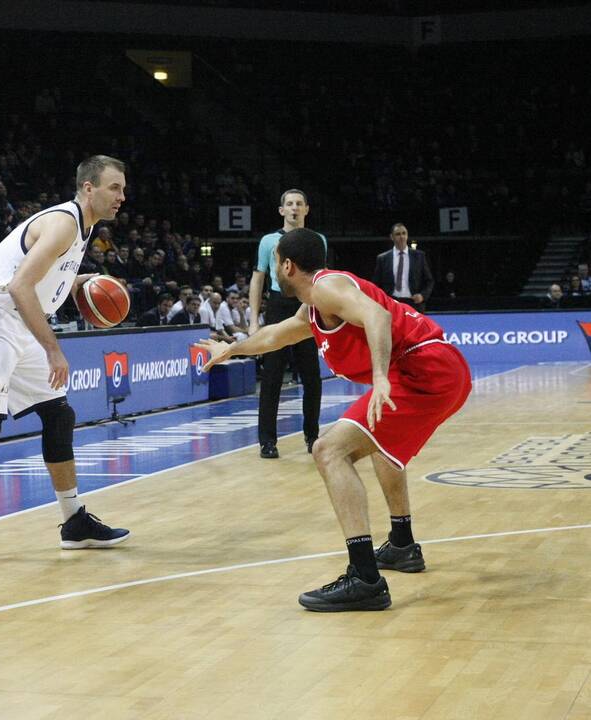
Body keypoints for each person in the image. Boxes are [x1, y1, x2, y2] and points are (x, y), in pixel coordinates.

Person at [199, 228, 472, 612]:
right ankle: (402, 544)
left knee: (329, 450)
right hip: (439, 371)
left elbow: (376, 315)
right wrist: (231, 349)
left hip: (423, 371)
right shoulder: (313, 305)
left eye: (276, 261)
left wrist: (379, 377)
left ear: (287, 265)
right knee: (379, 446)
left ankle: (364, 578)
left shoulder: (328, 288)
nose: (275, 268)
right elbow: (277, 335)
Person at [0, 155, 130, 564]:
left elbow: (45, 279)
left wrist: (86, 283)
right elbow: (20, 285)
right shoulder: (64, 222)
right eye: (115, 188)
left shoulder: (85, 226)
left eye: (123, 189)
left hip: (21, 319)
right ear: (89, 188)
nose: (121, 197)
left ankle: (74, 522)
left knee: (59, 416)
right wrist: (53, 350)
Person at [249, 189, 325, 459]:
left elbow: (321, 279)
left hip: (307, 306)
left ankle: (312, 436)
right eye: (289, 204)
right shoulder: (269, 241)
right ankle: (267, 441)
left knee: (312, 377)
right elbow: (258, 279)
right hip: (278, 306)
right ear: (281, 210)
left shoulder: (318, 240)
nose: (294, 208)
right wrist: (253, 321)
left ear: (306, 209)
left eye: (299, 204)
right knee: (271, 377)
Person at [372, 223, 434, 313]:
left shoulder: (419, 256)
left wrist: (422, 296)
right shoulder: (383, 258)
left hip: (414, 304)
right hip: (391, 303)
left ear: (407, 235)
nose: (401, 237)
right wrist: (382, 300)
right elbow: (376, 284)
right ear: (392, 237)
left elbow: (429, 281)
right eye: (398, 234)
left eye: (404, 233)